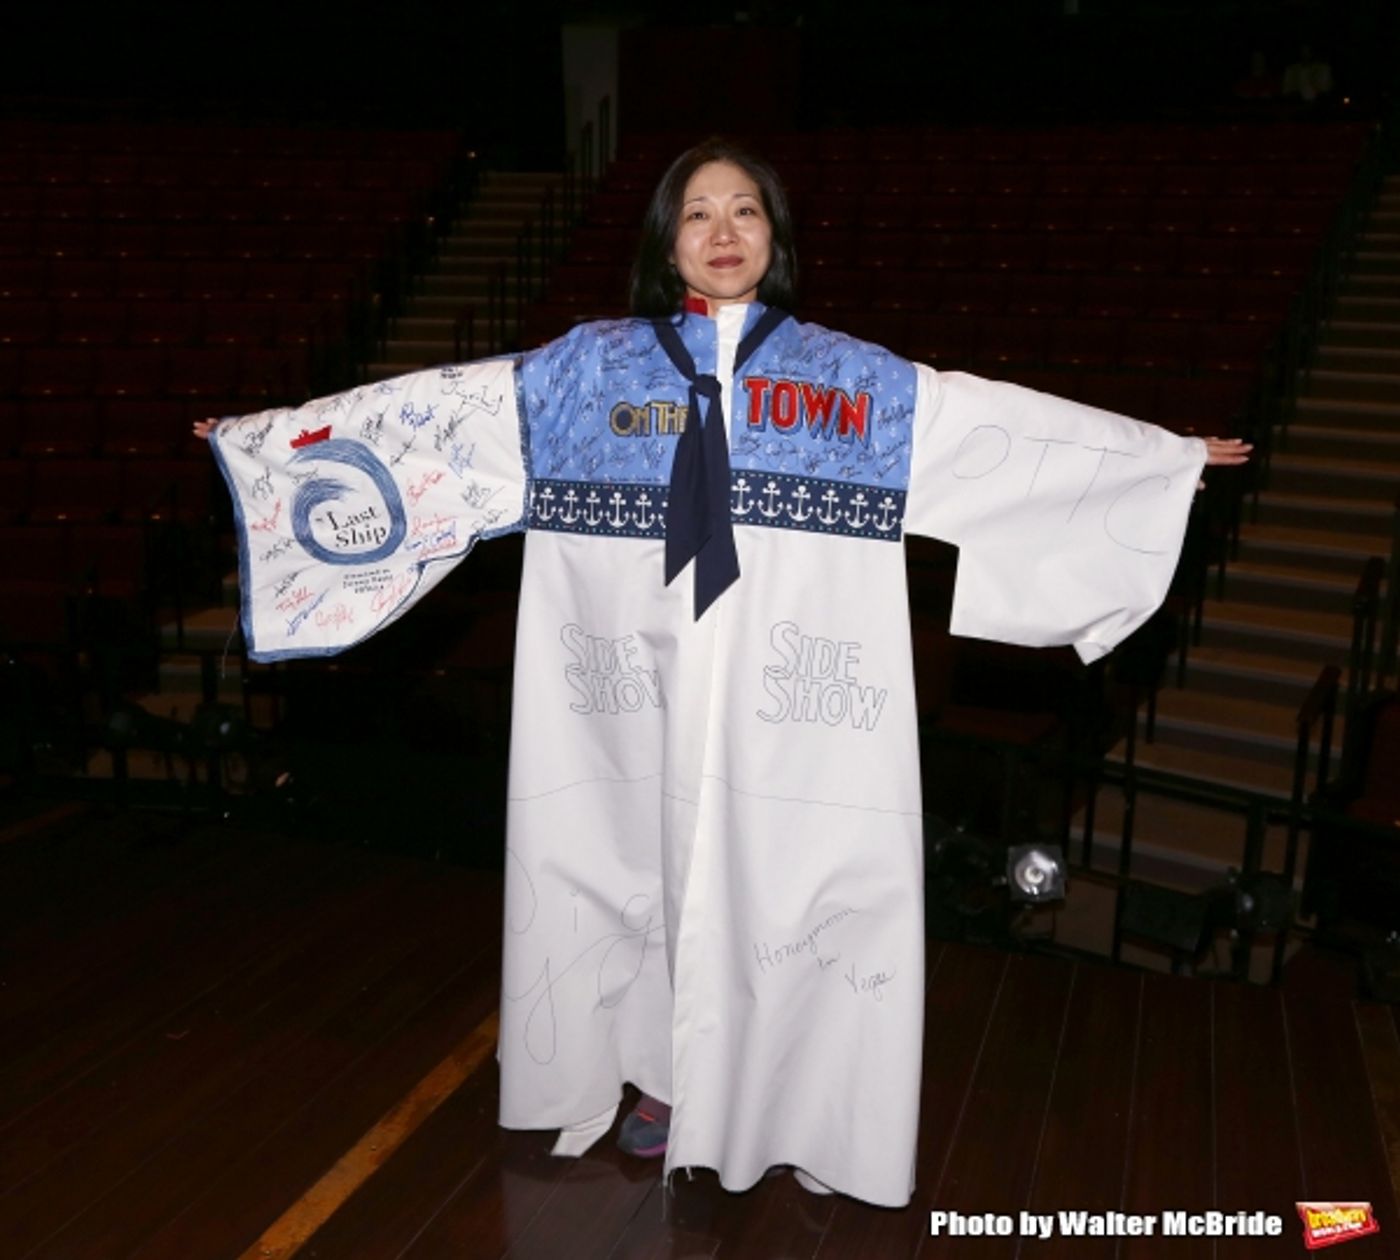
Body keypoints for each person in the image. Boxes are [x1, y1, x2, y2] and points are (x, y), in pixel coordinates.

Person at [197, 138, 1248, 1207]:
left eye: (744, 211)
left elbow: (993, 428)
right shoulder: (582, 372)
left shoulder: (853, 381)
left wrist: (1154, 459)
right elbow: (444, 419)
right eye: (696, 213)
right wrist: (269, 448)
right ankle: (657, 1077)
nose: (722, 232)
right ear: (665, 246)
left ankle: (802, 1105)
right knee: (630, 866)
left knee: (795, 884)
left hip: (794, 707)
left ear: (774, 239)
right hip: (627, 698)